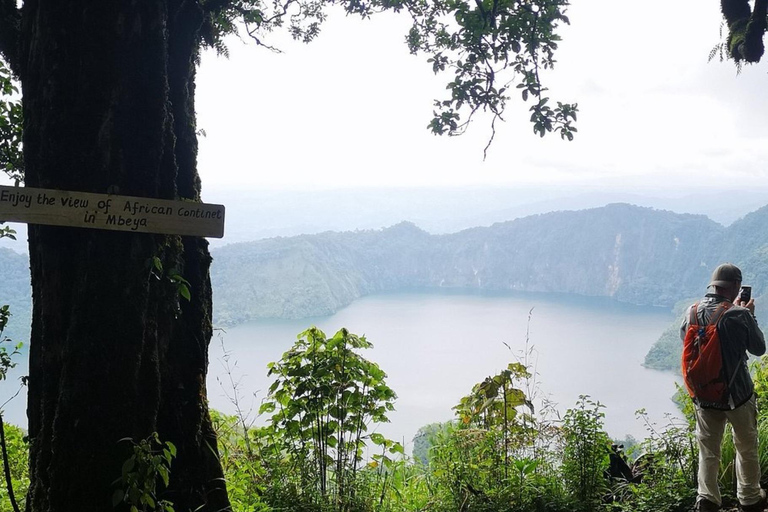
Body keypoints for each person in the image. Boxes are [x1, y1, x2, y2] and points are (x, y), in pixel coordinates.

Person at [680, 263, 766, 512]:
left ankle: (707, 499)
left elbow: (687, 344)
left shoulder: (691, 312)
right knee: (746, 447)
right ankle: (749, 498)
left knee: (708, 450)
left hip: (704, 395)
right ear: (736, 286)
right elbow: (759, 348)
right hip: (737, 396)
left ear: (714, 285)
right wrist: (749, 315)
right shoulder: (738, 315)